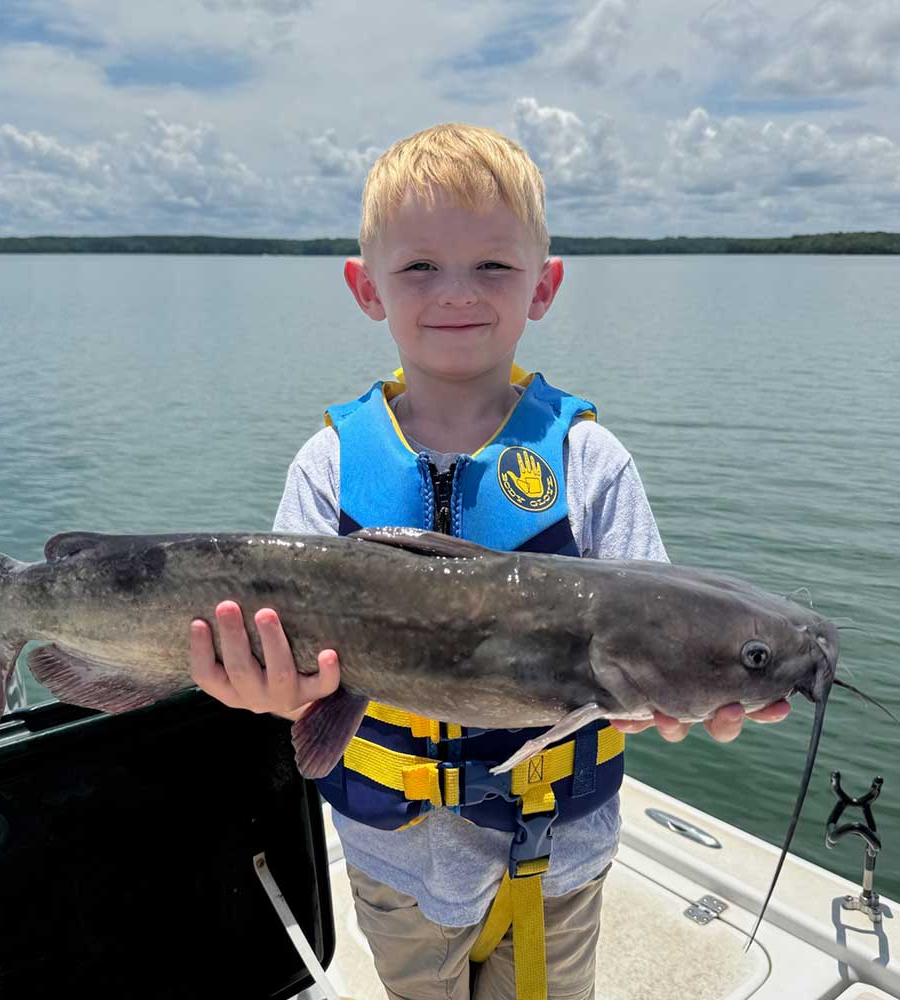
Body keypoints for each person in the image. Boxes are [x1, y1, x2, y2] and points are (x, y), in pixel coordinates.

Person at [188, 123, 790, 1000]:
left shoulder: (590, 463)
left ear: (543, 285)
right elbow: (286, 658)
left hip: (561, 854)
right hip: (392, 856)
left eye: (494, 267)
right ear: (367, 288)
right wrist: (269, 691)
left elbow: (661, 634)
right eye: (421, 266)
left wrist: (697, 692)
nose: (456, 294)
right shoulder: (328, 466)